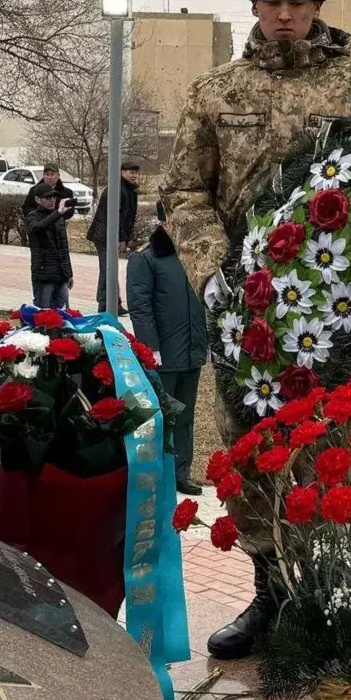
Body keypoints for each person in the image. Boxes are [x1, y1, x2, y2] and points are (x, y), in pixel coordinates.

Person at [162, 0, 351, 662]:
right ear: (253, 4)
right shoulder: (216, 93)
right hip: (247, 313)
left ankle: (325, 598)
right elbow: (186, 192)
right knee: (249, 457)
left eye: (298, 3)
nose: (283, 15)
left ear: (319, 5)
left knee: (325, 456)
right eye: (271, 2)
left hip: (331, 316)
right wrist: (214, 275)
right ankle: (272, 593)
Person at [127, 203, 207, 497]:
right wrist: (151, 347)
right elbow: (140, 306)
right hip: (164, 354)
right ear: (163, 221)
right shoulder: (146, 258)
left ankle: (181, 473)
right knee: (162, 417)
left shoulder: (192, 256)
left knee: (185, 417)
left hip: (191, 351)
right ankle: (157, 475)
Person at [88, 160, 141, 313]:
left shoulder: (129, 189)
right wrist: (121, 238)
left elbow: (129, 216)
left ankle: (113, 302)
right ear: (122, 173)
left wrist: (126, 236)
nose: (134, 175)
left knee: (110, 268)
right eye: (131, 172)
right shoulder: (117, 189)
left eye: (136, 172)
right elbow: (115, 215)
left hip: (113, 234)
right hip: (105, 234)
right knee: (107, 268)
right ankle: (105, 305)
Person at [25, 185, 75, 309]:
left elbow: (64, 247)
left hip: (61, 274)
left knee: (64, 313)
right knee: (43, 313)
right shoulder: (32, 217)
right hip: (44, 274)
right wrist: (57, 213)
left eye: (53, 197)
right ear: (38, 200)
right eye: (48, 197)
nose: (52, 200)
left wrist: (69, 273)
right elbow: (38, 227)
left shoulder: (58, 218)